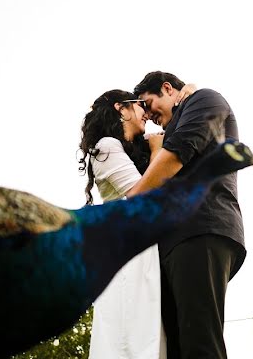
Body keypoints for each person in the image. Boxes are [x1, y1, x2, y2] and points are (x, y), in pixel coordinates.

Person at [128, 71, 245, 359]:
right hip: (173, 243)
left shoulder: (205, 99)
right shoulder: (167, 131)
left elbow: (178, 153)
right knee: (177, 346)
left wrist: (130, 200)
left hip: (202, 228)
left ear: (168, 88)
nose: (149, 113)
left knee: (199, 340)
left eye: (148, 101)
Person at [78, 85, 197, 359]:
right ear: (121, 108)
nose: (145, 112)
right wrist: (158, 149)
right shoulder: (106, 146)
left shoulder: (127, 150)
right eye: (139, 105)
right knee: (130, 332)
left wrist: (186, 93)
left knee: (147, 331)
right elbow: (141, 195)